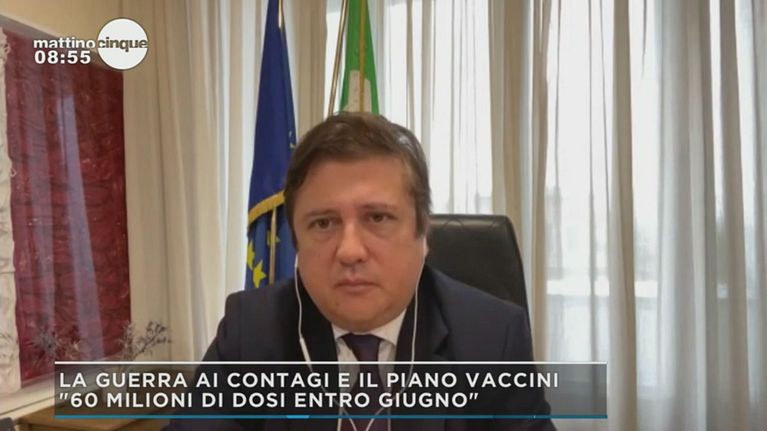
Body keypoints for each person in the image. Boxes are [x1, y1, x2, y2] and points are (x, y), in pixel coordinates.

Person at [165, 112, 555, 431]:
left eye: (378, 217)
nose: (350, 251)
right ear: (297, 242)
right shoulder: (251, 332)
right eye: (323, 223)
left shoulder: (493, 339)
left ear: (423, 234)